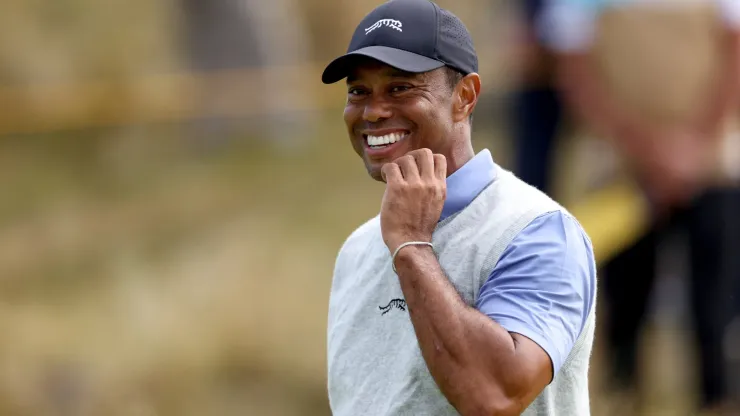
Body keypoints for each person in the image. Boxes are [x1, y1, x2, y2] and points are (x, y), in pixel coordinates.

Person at [320, 0, 597, 414]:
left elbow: (496, 396)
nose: (373, 111)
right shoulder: (357, 249)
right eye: (359, 91)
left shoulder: (538, 231)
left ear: (464, 97)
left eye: (400, 88)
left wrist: (412, 246)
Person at [537, 0, 740, 414]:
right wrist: (647, 150)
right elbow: (575, 69)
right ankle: (622, 394)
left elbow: (732, 54)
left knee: (716, 292)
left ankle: (717, 398)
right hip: (616, 166)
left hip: (711, 162)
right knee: (625, 291)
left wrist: (694, 145)